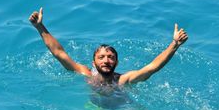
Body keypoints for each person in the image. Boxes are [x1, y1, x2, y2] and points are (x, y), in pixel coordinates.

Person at [29, 7, 188, 87]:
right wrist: (40, 27)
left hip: (122, 106)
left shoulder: (123, 80)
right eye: (101, 57)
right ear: (94, 62)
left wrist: (174, 45)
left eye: (111, 57)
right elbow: (59, 53)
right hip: (95, 108)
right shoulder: (86, 74)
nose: (106, 60)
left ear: (117, 63)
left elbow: (152, 67)